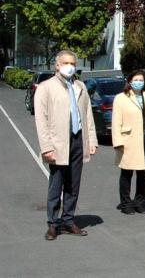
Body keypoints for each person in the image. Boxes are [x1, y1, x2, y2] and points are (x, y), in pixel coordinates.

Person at [34, 50, 98, 240]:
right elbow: (41, 120)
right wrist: (47, 146)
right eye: (66, 63)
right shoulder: (46, 87)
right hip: (58, 142)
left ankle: (68, 221)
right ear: (57, 65)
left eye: (72, 63)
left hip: (78, 140)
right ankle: (53, 224)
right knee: (56, 184)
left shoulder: (80, 86)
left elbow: (88, 115)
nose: (70, 66)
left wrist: (91, 140)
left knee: (73, 184)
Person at [111, 69, 145, 215]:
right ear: (129, 81)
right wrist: (118, 142)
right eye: (136, 80)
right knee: (126, 173)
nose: (138, 82)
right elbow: (116, 122)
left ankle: (140, 202)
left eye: (141, 80)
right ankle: (126, 203)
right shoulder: (121, 98)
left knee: (143, 173)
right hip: (129, 140)